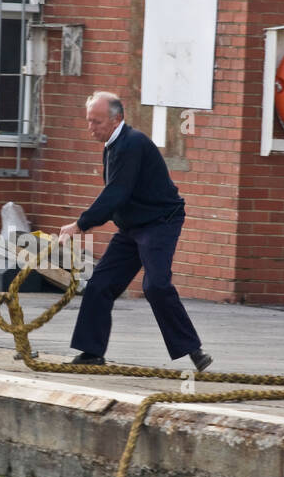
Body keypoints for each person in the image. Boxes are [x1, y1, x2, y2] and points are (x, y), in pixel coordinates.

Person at [58, 91, 212, 372]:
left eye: (97, 122)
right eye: (89, 121)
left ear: (117, 120)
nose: (90, 127)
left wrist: (80, 224)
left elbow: (116, 193)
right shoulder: (112, 145)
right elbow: (118, 195)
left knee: (155, 285)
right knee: (100, 285)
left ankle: (193, 350)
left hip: (159, 222)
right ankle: (92, 353)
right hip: (132, 226)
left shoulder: (131, 144)